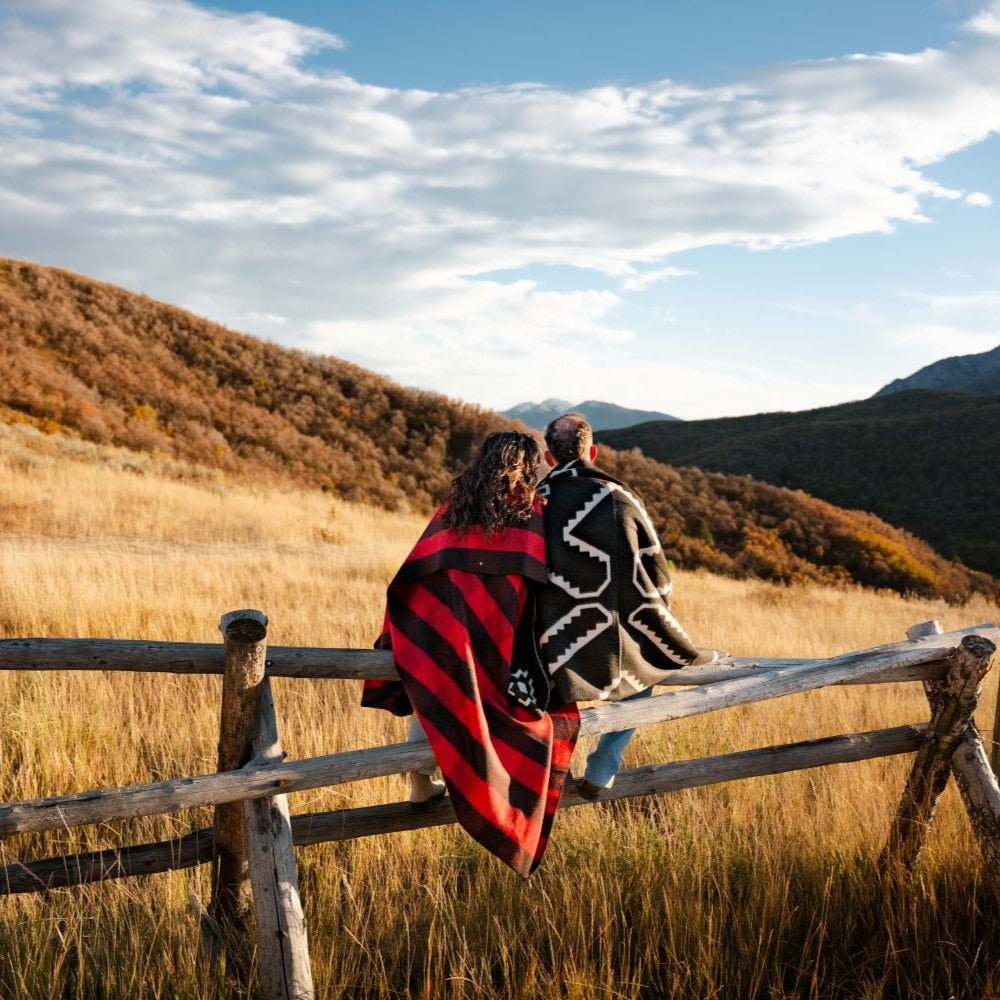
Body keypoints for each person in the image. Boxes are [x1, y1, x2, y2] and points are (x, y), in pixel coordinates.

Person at [361, 430, 580, 877]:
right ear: (528, 465)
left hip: (440, 622)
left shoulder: (458, 504)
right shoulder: (530, 508)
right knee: (490, 701)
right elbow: (541, 581)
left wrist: (414, 621)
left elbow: (418, 566)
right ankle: (454, 788)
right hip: (501, 629)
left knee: (438, 681)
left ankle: (419, 779)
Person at [534, 413, 727, 799]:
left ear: (548, 457)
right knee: (646, 663)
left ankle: (547, 772)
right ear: (593, 452)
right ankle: (602, 768)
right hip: (610, 635)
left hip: (547, 636)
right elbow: (656, 573)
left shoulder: (535, 499)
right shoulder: (620, 499)